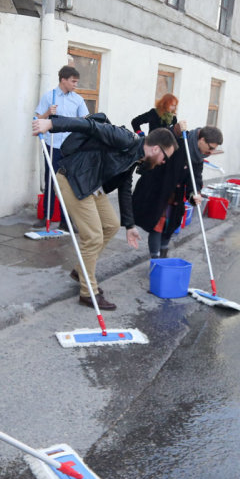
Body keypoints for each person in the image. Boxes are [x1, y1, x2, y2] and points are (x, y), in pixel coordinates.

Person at [32, 114, 177, 309]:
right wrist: (51, 123)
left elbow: (125, 188)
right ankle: (88, 291)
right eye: (164, 157)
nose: (163, 162)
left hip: (91, 183)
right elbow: (88, 125)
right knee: (93, 237)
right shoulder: (124, 138)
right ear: (156, 148)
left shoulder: (136, 156)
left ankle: (80, 270)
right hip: (73, 179)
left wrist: (130, 225)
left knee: (111, 225)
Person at [133, 126, 222, 258]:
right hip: (157, 189)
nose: (211, 152)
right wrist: (175, 129)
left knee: (169, 227)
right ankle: (156, 260)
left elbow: (195, 177)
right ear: (202, 140)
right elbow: (162, 136)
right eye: (210, 147)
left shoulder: (198, 156)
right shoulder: (181, 140)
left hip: (175, 197)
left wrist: (194, 193)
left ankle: (163, 255)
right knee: (157, 226)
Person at [34, 66, 89, 224]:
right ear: (63, 80)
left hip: (71, 148)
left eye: (77, 82)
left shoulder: (78, 100)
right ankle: (47, 216)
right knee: (50, 180)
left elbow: (86, 121)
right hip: (53, 146)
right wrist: (47, 114)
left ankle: (67, 221)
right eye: (73, 81)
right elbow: (37, 120)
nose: (75, 85)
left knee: (69, 184)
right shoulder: (49, 97)